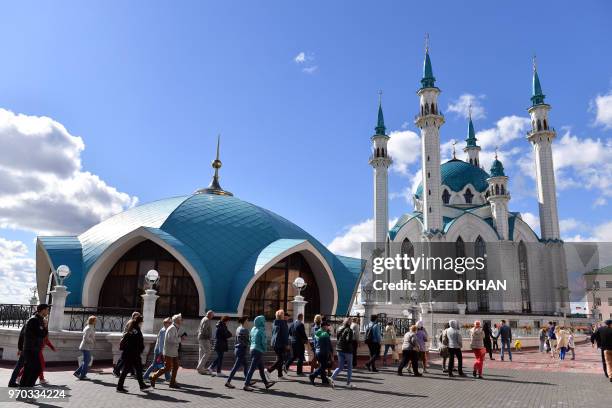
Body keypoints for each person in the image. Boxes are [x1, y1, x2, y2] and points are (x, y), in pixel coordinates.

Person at [150, 313, 185, 388]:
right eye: (181, 319)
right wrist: (180, 339)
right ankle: (153, 377)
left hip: (173, 351)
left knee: (175, 367)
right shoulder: (172, 328)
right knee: (167, 367)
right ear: (177, 320)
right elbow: (170, 339)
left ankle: (172, 383)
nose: (182, 321)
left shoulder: (174, 327)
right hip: (169, 352)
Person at [116, 313, 149, 392]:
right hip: (132, 354)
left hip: (130, 353)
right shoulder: (136, 330)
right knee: (127, 370)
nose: (142, 323)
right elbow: (137, 342)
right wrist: (140, 348)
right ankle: (119, 387)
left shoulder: (133, 328)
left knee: (138, 369)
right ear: (140, 322)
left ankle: (141, 385)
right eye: (142, 322)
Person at [20, 304, 50, 387]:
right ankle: (27, 391)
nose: (48, 311)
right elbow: (42, 334)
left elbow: (41, 334)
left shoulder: (37, 320)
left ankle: (23, 392)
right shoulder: (34, 320)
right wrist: (45, 326)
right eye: (47, 309)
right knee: (36, 369)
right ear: (42, 310)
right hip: (31, 349)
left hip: (33, 349)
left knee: (28, 370)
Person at [243, 315, 276, 391]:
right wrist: (264, 349)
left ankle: (266, 383)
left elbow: (250, 339)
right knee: (252, 369)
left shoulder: (253, 329)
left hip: (252, 349)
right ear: (261, 322)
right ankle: (246, 385)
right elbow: (263, 342)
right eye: (263, 321)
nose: (264, 322)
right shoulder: (261, 330)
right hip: (258, 351)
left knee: (261, 368)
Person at [225, 316, 251, 388]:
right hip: (241, 350)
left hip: (237, 349)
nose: (248, 322)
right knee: (236, 367)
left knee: (245, 365)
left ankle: (247, 380)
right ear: (245, 321)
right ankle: (228, 381)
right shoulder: (245, 330)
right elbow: (248, 341)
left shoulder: (238, 328)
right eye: (248, 320)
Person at [144, 317, 172, 381]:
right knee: (154, 364)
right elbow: (161, 342)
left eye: (171, 322)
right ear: (165, 323)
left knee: (166, 364)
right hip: (159, 351)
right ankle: (145, 376)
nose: (171, 324)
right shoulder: (163, 331)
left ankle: (168, 378)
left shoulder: (166, 330)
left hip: (162, 350)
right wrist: (161, 352)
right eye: (169, 323)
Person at [331, 318, 354, 387]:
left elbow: (338, 338)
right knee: (349, 366)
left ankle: (332, 378)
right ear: (349, 323)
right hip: (347, 350)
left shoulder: (339, 328)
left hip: (339, 349)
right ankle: (348, 382)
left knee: (340, 367)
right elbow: (349, 340)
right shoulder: (350, 330)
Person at [266, 310, 289, 378]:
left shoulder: (275, 322)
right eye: (283, 314)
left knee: (280, 359)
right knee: (280, 359)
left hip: (275, 343)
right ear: (282, 316)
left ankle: (280, 374)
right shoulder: (283, 323)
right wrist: (286, 344)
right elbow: (285, 335)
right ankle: (269, 370)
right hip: (281, 343)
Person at [309, 321, 333, 386]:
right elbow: (329, 345)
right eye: (327, 326)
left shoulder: (317, 332)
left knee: (322, 365)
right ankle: (312, 375)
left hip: (317, 351)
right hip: (323, 352)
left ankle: (324, 379)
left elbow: (314, 342)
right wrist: (331, 354)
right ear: (324, 326)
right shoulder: (325, 334)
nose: (328, 327)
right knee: (324, 366)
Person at [197, 310, 215, 375]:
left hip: (201, 337)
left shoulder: (203, 319)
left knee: (201, 352)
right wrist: (208, 337)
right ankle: (200, 367)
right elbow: (204, 330)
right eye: (212, 315)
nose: (213, 317)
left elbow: (199, 328)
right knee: (208, 352)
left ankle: (201, 368)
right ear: (210, 315)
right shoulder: (207, 320)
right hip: (204, 338)